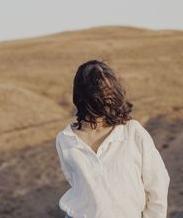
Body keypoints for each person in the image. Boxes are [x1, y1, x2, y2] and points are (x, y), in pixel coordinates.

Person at [56, 59, 170, 218]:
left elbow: (157, 184)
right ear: (84, 95)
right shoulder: (65, 139)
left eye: (109, 91)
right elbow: (77, 185)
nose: (106, 98)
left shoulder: (132, 132)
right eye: (100, 92)